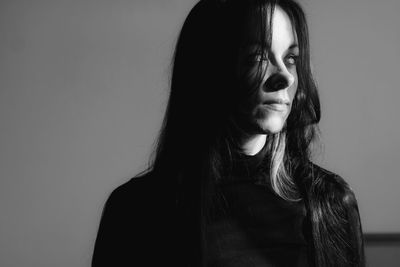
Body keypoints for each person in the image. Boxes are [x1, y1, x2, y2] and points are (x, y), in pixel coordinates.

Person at [92, 0, 365, 266]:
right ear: (209, 68)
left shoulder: (331, 203)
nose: (286, 77)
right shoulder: (133, 212)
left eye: (291, 58)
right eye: (258, 57)